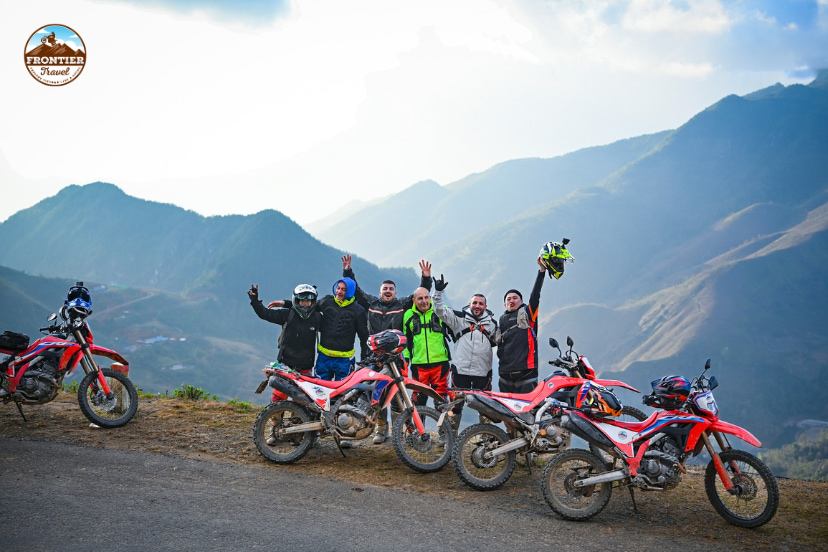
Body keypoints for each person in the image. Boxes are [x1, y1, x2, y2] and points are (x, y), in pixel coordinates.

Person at [341, 254, 432, 443]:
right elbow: (356, 291)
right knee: (375, 394)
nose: (388, 291)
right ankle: (381, 431)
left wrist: (425, 278)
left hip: (395, 359)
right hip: (372, 358)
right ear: (380, 291)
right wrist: (348, 271)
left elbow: (420, 296)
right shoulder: (371, 303)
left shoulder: (402, 305)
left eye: (391, 289)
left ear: (395, 292)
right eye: (385, 289)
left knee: (397, 393)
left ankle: (398, 433)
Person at [431, 274, 497, 430]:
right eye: (475, 303)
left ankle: (487, 436)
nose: (477, 306)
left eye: (481, 304)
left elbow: (501, 342)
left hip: (483, 372)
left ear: (485, 307)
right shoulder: (459, 319)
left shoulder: (493, 324)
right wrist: (438, 292)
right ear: (469, 304)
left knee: (485, 407)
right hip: (460, 371)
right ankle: (449, 435)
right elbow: (439, 311)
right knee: (455, 406)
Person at [248, 283, 321, 402]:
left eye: (308, 301)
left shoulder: (317, 318)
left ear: (313, 302)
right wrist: (254, 300)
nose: (305, 303)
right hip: (286, 364)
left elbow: (331, 316)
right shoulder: (288, 314)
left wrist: (285, 303)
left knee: (302, 401)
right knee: (278, 398)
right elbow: (265, 314)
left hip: (306, 367)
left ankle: (296, 415)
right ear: (296, 301)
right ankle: (276, 414)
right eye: (302, 300)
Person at [495, 257, 548, 394]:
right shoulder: (501, 319)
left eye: (515, 298)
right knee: (505, 407)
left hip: (526, 373)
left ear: (521, 301)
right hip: (505, 374)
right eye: (508, 299)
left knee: (527, 407)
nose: (511, 300)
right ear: (505, 304)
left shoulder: (528, 313)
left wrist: (541, 271)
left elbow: (535, 295)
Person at [403, 287, 452, 409]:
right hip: (419, 365)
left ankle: (443, 422)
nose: (424, 301)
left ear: (430, 298)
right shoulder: (408, 315)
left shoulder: (441, 311)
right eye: (420, 298)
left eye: (426, 298)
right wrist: (405, 360)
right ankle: (417, 422)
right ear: (414, 300)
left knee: (441, 401)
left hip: (440, 363)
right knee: (418, 400)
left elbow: (456, 329)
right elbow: (406, 340)